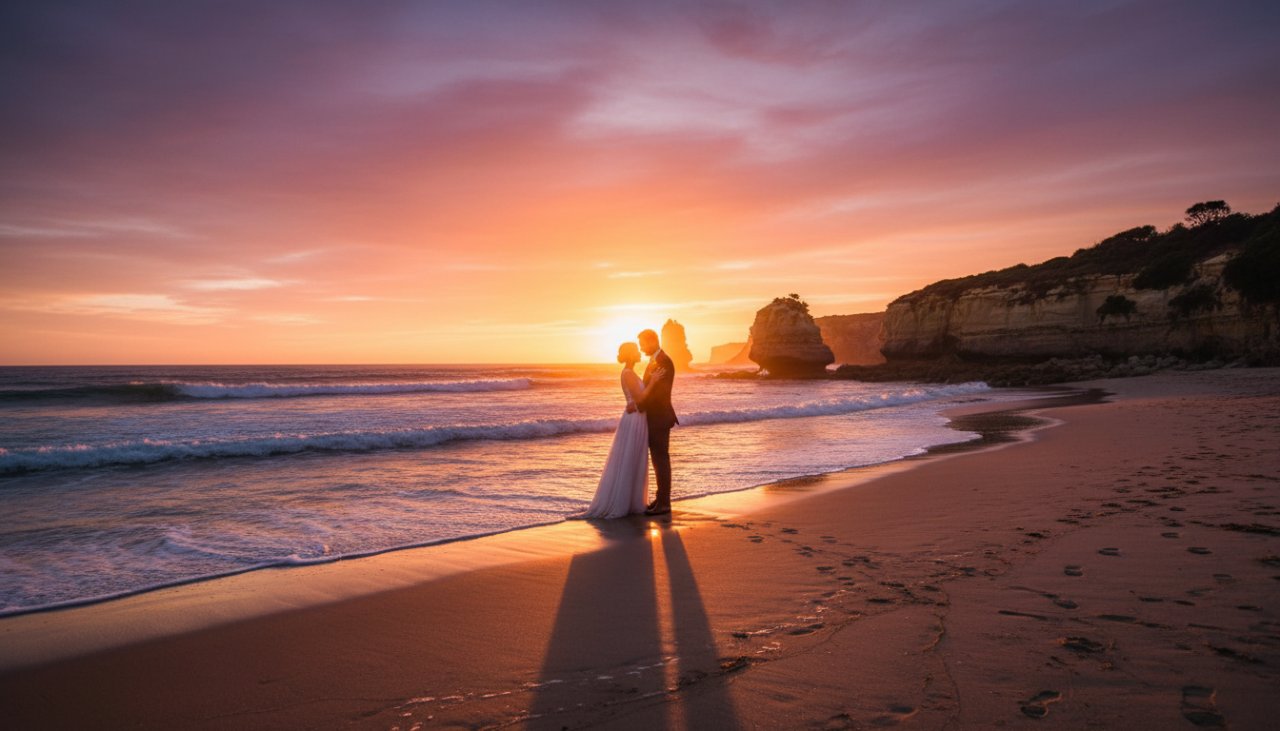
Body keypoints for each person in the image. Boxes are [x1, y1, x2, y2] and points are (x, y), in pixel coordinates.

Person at [579, 342, 665, 519]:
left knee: (635, 458)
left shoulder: (632, 373)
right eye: (636, 351)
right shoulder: (628, 374)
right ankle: (623, 503)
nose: (639, 353)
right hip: (634, 420)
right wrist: (654, 382)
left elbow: (637, 400)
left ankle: (633, 502)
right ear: (630, 355)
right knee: (630, 458)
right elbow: (640, 398)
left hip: (638, 418)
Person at [632, 329, 678, 515]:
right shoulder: (655, 361)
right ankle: (660, 500)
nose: (642, 348)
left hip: (659, 417)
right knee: (658, 460)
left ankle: (664, 504)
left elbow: (659, 393)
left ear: (652, 341)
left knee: (661, 460)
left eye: (643, 344)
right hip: (655, 417)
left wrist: (640, 404)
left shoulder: (663, 362)